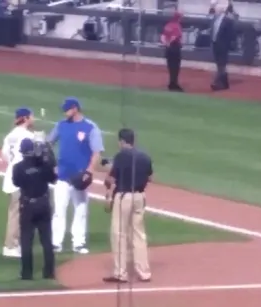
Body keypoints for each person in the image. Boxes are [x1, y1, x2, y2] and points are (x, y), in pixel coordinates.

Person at [48, 97, 104, 255]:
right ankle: (56, 242)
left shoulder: (90, 127)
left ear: (75, 109)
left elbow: (97, 152)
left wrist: (89, 172)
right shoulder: (61, 125)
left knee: (80, 210)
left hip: (80, 177)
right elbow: (48, 144)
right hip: (63, 176)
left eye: (67, 109)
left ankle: (78, 243)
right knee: (59, 210)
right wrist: (53, 165)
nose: (64, 112)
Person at [102, 128, 153, 283]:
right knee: (139, 235)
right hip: (140, 197)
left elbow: (109, 179)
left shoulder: (120, 156)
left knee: (119, 234)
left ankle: (120, 273)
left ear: (122, 141)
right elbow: (150, 177)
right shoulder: (144, 156)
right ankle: (144, 272)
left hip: (124, 197)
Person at [12, 138, 57, 280]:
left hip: (27, 206)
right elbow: (53, 178)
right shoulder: (43, 165)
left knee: (26, 240)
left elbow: (16, 182)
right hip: (43, 204)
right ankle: (49, 272)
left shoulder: (18, 168)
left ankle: (27, 273)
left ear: (22, 152)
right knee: (47, 240)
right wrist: (49, 161)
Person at [0, 107, 36, 258]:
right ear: (26, 118)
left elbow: (5, 156)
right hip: (23, 178)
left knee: (15, 212)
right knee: (18, 213)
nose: (33, 119)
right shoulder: (29, 136)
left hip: (11, 176)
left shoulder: (10, 136)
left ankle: (13, 243)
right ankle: (11, 246)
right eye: (32, 117)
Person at [209, 2, 235, 91]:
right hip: (215, 44)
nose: (216, 9)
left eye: (217, 8)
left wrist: (227, 45)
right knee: (219, 64)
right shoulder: (215, 19)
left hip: (223, 45)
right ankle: (225, 83)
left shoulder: (228, 21)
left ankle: (217, 83)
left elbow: (231, 35)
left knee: (221, 65)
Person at [161, 11, 184, 92]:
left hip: (168, 49)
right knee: (175, 67)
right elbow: (174, 37)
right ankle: (174, 84)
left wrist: (166, 44)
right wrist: (169, 43)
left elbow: (162, 37)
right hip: (175, 47)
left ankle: (172, 83)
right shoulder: (177, 26)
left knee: (170, 66)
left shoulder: (168, 25)